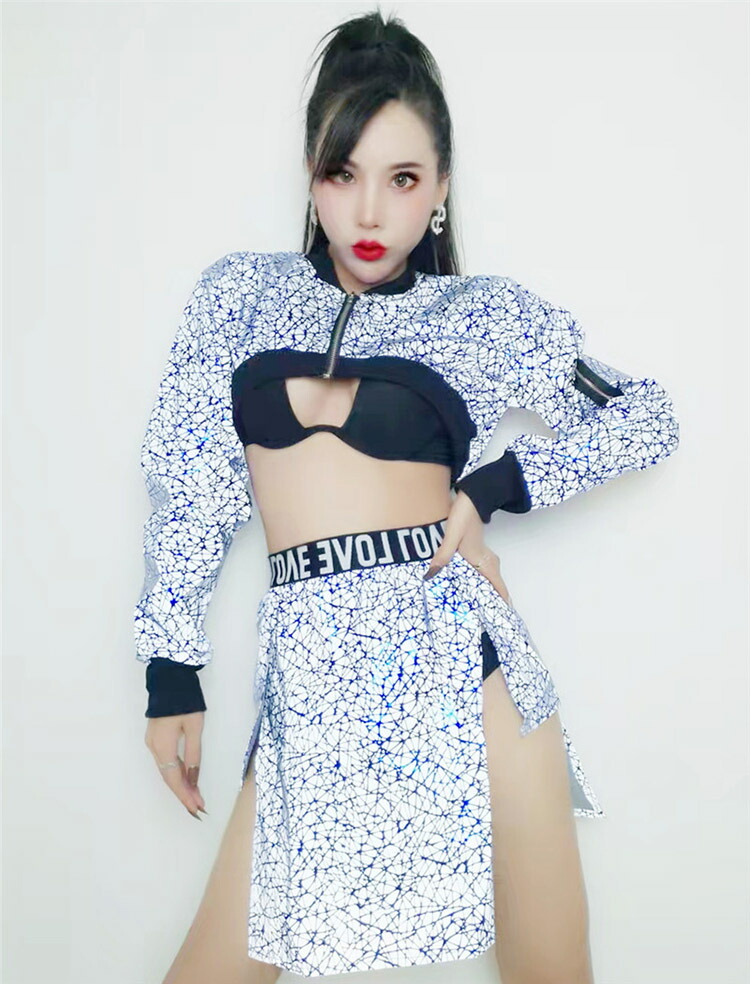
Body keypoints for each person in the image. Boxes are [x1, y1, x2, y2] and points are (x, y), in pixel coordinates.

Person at [135, 10, 680, 984]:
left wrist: (497, 486)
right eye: (342, 173)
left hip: (465, 678)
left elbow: (645, 417)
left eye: (402, 179)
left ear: (441, 188)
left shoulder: (481, 316)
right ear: (310, 171)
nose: (369, 214)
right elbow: (191, 485)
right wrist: (171, 667)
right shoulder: (237, 299)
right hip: (312, 691)